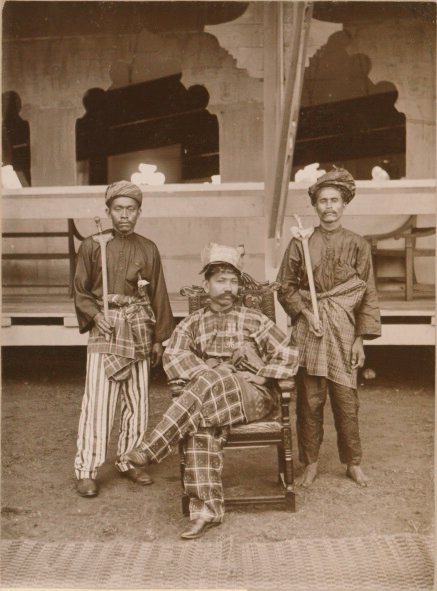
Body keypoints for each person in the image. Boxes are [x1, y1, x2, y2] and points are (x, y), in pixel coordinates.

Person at [122, 243, 299, 539]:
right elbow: (173, 357)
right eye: (221, 280)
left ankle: (152, 448)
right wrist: (213, 371)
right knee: (200, 423)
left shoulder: (255, 319)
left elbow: (289, 354)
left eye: (233, 281)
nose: (228, 287)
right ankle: (206, 512)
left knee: (204, 390)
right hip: (211, 401)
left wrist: (259, 372)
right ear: (206, 286)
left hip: (251, 397)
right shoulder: (192, 323)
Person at [276, 167, 381, 488]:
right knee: (310, 400)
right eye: (323, 201)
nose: (329, 207)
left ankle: (353, 462)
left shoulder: (358, 244)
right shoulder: (301, 243)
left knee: (347, 401)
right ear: (315, 205)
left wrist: (360, 340)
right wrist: (307, 313)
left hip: (344, 330)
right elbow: (285, 287)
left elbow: (367, 293)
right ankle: (310, 463)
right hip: (312, 329)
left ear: (345, 204)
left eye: (335, 200)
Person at [73, 180, 175, 497]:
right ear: (108, 211)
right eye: (118, 209)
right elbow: (80, 290)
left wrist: (159, 339)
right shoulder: (92, 245)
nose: (124, 215)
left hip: (139, 324)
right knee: (99, 402)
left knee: (137, 400)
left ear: (139, 212)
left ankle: (129, 460)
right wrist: (95, 315)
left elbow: (158, 294)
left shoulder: (148, 248)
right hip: (105, 325)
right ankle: (87, 470)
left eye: (131, 209)